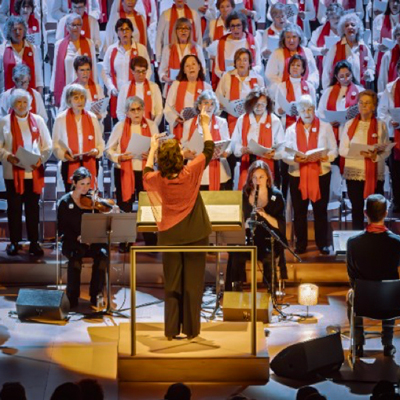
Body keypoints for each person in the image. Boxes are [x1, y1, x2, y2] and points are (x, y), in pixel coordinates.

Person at [143, 108, 215, 340]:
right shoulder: (191, 172)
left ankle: (172, 330)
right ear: (180, 157)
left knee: (172, 283)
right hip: (195, 234)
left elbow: (145, 172)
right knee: (193, 284)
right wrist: (204, 123)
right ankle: (192, 331)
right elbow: (209, 149)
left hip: (170, 235)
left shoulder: (158, 179)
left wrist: (153, 148)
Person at [347, 194, 400, 357]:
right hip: (391, 302)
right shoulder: (397, 241)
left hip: (364, 301)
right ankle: (388, 343)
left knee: (351, 294)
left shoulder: (353, 242)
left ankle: (358, 343)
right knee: (392, 289)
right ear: (385, 214)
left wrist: (359, 289)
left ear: (365, 213)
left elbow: (351, 274)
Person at [0, 89, 52, 257]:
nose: (21, 105)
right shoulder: (4, 122)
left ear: (29, 103)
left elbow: (48, 145)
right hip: (13, 173)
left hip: (33, 172)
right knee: (14, 209)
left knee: (32, 209)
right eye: (18, 102)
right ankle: (14, 242)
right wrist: (8, 156)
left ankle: (34, 242)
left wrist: (40, 159)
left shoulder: (38, 120)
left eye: (24, 102)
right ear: (12, 104)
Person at [283, 95, 338, 254]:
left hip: (320, 174)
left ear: (314, 110)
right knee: (299, 212)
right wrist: (295, 158)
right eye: (303, 110)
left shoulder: (325, 127)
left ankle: (322, 244)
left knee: (320, 210)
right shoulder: (291, 130)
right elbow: (284, 155)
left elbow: (334, 150)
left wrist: (325, 157)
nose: (307, 113)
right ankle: (301, 244)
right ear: (298, 112)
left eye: (310, 109)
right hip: (297, 174)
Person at [225, 160, 287, 291]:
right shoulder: (244, 195)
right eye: (254, 177)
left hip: (267, 241)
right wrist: (245, 225)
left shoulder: (276, 196)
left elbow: (280, 225)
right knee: (236, 254)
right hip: (248, 240)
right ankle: (236, 290)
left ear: (268, 178)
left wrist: (265, 215)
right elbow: (236, 221)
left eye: (261, 177)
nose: (257, 181)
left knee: (268, 256)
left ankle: (271, 291)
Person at [339, 90, 391, 230]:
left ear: (374, 106)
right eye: (361, 102)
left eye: (367, 103)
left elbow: (387, 150)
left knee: (375, 210)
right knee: (357, 209)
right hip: (354, 173)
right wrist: (361, 153)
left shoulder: (381, 125)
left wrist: (375, 155)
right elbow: (342, 150)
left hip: (374, 173)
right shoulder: (349, 124)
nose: (363, 106)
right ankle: (358, 240)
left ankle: (375, 239)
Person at [57, 167, 108, 308]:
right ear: (74, 183)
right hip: (72, 241)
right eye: (82, 184)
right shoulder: (65, 202)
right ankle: (72, 297)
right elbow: (62, 229)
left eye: (88, 184)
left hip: (92, 240)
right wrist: (77, 237)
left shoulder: (93, 201)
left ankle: (96, 294)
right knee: (75, 258)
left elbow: (100, 222)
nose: (85, 188)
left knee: (103, 255)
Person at [52, 84, 104, 193]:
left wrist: (97, 150)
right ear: (69, 100)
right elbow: (56, 144)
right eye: (76, 98)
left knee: (88, 199)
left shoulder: (92, 117)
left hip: (90, 162)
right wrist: (64, 155)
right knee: (72, 197)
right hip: (70, 162)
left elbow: (100, 142)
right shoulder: (60, 119)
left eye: (82, 97)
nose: (79, 101)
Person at [231, 87, 285, 189]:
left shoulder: (275, 121)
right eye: (256, 103)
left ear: (267, 104)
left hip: (268, 163)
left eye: (262, 104)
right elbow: (235, 143)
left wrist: (274, 154)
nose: (259, 107)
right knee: (249, 195)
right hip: (248, 161)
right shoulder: (242, 119)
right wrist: (242, 149)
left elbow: (282, 148)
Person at [181, 89, 231, 190]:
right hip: (195, 169)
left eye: (212, 104)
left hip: (217, 170)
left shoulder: (222, 123)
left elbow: (228, 146)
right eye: (206, 103)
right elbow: (184, 145)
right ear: (199, 106)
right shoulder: (188, 124)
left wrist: (225, 152)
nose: (209, 107)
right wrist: (186, 154)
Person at [102, 17, 150, 119]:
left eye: (127, 29)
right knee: (120, 123)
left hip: (137, 93)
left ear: (132, 31)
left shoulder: (140, 49)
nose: (124, 32)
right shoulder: (111, 50)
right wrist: (111, 88)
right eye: (121, 29)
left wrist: (140, 85)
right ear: (117, 32)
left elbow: (148, 70)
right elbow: (105, 72)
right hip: (118, 93)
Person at [50, 13, 98, 107]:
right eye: (73, 25)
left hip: (84, 88)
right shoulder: (59, 45)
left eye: (79, 25)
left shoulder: (89, 43)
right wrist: (53, 90)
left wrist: (95, 86)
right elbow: (56, 69)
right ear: (67, 27)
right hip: (67, 89)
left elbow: (94, 68)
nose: (76, 28)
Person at [215, 47, 264, 135]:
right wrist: (222, 105)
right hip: (231, 120)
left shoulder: (258, 79)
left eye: (245, 60)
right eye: (239, 59)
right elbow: (218, 98)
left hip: (252, 120)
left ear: (249, 63)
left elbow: (264, 102)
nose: (241, 63)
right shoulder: (227, 76)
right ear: (235, 62)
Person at [164, 54, 211, 142]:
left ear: (199, 67)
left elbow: (212, 110)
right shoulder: (176, 85)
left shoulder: (207, 87)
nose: (191, 68)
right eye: (187, 66)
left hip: (200, 130)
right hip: (181, 129)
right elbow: (167, 109)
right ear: (184, 70)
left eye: (193, 64)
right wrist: (176, 118)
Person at [265, 23, 319, 99]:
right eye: (288, 37)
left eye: (294, 37)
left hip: (304, 93)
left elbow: (314, 73)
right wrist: (283, 89)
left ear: (299, 38)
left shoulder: (308, 52)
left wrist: (308, 84)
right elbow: (270, 76)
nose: (291, 40)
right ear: (283, 39)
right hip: (283, 94)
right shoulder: (277, 53)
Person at [322, 13, 375, 89]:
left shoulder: (364, 48)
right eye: (347, 25)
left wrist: (369, 73)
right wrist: (327, 91)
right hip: (340, 90)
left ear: (358, 29)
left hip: (359, 90)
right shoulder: (335, 48)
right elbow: (327, 70)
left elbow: (371, 67)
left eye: (353, 25)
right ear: (343, 30)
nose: (350, 27)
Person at [318, 60, 364, 147]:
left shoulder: (360, 91)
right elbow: (320, 112)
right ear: (336, 77)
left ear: (352, 73)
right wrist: (329, 122)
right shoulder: (328, 91)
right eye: (342, 77)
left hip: (354, 132)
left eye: (348, 75)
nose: (346, 79)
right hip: (333, 131)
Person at [209, 11, 261, 79]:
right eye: (232, 26)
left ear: (243, 26)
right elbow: (217, 69)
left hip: (247, 81)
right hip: (228, 81)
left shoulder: (252, 41)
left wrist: (246, 73)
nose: (236, 29)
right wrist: (226, 77)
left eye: (238, 25)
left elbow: (258, 66)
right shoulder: (222, 42)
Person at [159, 17, 206, 93]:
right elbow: (161, 71)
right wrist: (167, 79)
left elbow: (202, 69)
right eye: (180, 28)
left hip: (192, 88)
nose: (183, 31)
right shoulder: (168, 49)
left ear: (190, 31)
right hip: (172, 88)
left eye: (186, 28)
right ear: (176, 31)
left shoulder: (197, 48)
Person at [378, 59, 400, 213]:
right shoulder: (390, 88)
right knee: (396, 171)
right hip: (395, 135)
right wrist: (390, 121)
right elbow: (382, 111)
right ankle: (398, 201)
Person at [0, 15, 43, 93]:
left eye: (20, 29)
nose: (17, 32)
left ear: (24, 31)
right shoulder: (2, 49)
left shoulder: (32, 48)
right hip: (8, 94)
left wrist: (39, 95)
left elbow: (38, 75)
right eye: (14, 29)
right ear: (9, 32)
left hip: (29, 94)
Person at [116, 56, 163, 125]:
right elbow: (120, 111)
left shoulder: (154, 87)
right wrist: (127, 124)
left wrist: (153, 126)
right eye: (138, 71)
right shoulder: (125, 88)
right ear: (132, 71)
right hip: (130, 126)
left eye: (143, 71)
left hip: (149, 126)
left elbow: (159, 111)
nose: (141, 75)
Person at [59, 55, 105, 121]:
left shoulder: (97, 88)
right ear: (76, 72)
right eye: (82, 70)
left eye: (87, 70)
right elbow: (62, 112)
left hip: (94, 126)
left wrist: (100, 116)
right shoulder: (68, 89)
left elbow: (103, 110)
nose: (85, 73)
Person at [156, 0, 202, 64]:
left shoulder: (194, 14)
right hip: (170, 56)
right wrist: (159, 59)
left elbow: (198, 37)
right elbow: (159, 38)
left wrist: (200, 57)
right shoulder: (165, 14)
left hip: (190, 55)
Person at [378, 24, 400, 93]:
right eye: (398, 34)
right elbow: (382, 79)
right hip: (392, 94)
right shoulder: (388, 55)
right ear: (395, 37)